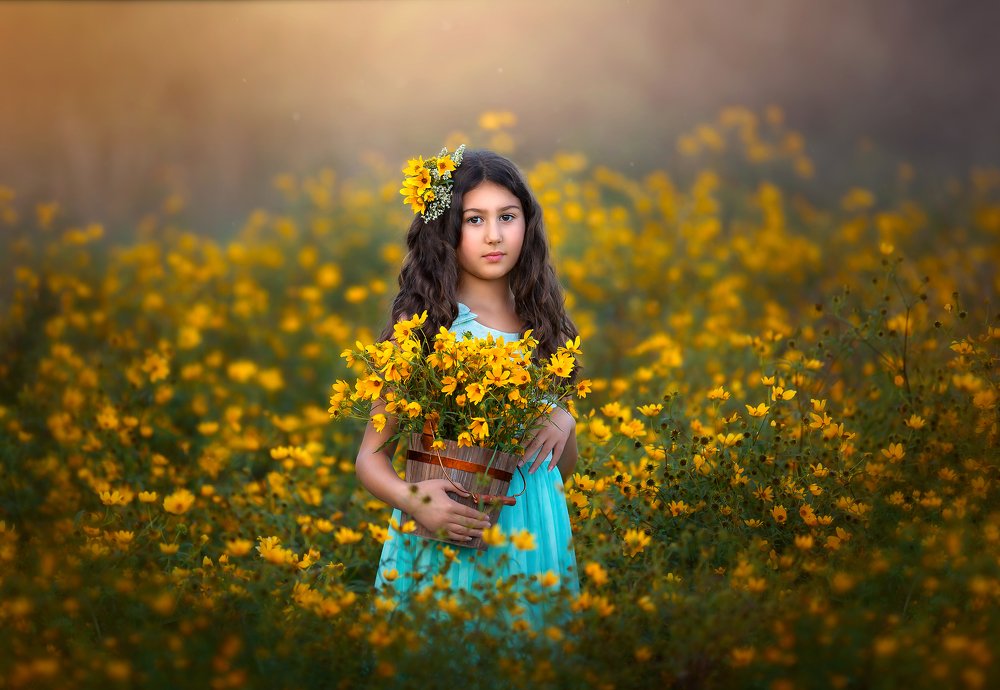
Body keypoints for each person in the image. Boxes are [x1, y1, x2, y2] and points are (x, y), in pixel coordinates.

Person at [355, 146, 581, 633]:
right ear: (445, 230)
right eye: (474, 219)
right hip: (446, 532)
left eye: (507, 216)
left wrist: (563, 418)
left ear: (528, 224)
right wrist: (413, 500)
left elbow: (557, 471)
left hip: (532, 532)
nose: (494, 235)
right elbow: (369, 460)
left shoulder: (541, 328)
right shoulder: (426, 329)